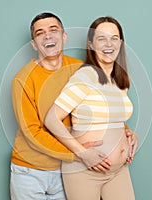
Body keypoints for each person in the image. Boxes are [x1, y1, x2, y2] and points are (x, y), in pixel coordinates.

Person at [10, 12, 115, 200]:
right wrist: (80, 154)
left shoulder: (81, 70)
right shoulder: (22, 79)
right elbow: (32, 132)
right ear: (34, 44)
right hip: (30, 171)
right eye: (39, 33)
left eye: (53, 30)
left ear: (64, 37)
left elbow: (104, 107)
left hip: (69, 172)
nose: (47, 35)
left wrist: (126, 131)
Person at [45, 16, 136, 200]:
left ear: (121, 43)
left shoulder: (120, 81)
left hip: (119, 171)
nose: (108, 44)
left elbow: (112, 120)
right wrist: (83, 153)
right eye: (101, 38)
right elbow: (51, 119)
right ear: (91, 45)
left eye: (114, 38)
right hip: (84, 170)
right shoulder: (85, 76)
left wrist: (130, 135)